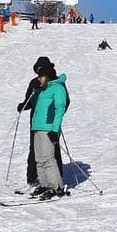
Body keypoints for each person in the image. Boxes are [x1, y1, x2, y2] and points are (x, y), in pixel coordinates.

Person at [18, 57, 67, 187]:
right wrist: (23, 105)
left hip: (49, 124)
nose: (39, 74)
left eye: (41, 71)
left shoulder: (56, 85)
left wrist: (55, 122)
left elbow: (62, 104)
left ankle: (56, 183)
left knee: (51, 153)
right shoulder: (35, 83)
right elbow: (30, 100)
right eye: (37, 70)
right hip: (36, 123)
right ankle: (36, 179)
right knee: (36, 154)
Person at [29, 64, 69, 199]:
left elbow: (59, 109)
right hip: (37, 128)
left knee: (48, 158)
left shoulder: (57, 89)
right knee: (39, 159)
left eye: (41, 77)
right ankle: (44, 184)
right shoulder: (43, 90)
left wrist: (54, 129)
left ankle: (56, 186)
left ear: (47, 77)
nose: (39, 79)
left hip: (48, 129)